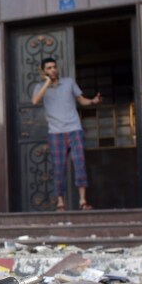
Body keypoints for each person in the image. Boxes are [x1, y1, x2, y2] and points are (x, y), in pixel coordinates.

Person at [31, 57, 101, 212]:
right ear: (44, 71)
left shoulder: (69, 82)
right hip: (55, 132)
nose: (53, 70)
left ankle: (83, 201)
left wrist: (93, 101)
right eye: (48, 68)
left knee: (79, 164)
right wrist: (47, 82)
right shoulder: (40, 87)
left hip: (74, 129)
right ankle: (60, 203)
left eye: (54, 67)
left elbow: (81, 100)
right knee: (58, 168)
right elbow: (35, 100)